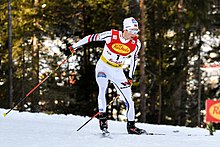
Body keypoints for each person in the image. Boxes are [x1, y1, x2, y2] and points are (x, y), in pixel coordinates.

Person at [69, 17, 145, 135]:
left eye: (136, 32)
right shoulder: (111, 35)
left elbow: (133, 60)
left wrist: (130, 77)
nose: (134, 34)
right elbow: (91, 38)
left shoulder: (136, 44)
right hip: (103, 67)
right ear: (125, 29)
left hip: (117, 70)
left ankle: (131, 126)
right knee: (102, 89)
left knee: (129, 99)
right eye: (132, 31)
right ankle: (103, 120)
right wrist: (74, 46)